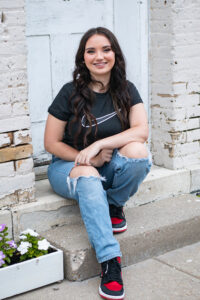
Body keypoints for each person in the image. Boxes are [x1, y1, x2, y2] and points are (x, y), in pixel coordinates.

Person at [44, 27, 152, 300]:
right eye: (91, 51)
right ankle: (110, 261)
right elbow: (51, 143)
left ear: (115, 53)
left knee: (138, 152)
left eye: (105, 49)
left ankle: (114, 202)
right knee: (89, 175)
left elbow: (141, 131)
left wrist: (100, 145)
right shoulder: (69, 92)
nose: (99, 56)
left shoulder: (127, 90)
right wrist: (86, 158)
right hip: (68, 165)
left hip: (106, 160)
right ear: (83, 58)